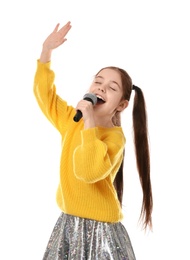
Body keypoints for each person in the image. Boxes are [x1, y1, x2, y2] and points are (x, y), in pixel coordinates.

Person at [33, 21, 153, 260]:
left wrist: (88, 121)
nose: (101, 88)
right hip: (68, 224)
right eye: (98, 81)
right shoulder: (71, 120)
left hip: (102, 231)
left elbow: (88, 171)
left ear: (121, 105)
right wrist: (46, 52)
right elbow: (45, 95)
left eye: (111, 87)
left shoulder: (114, 139)